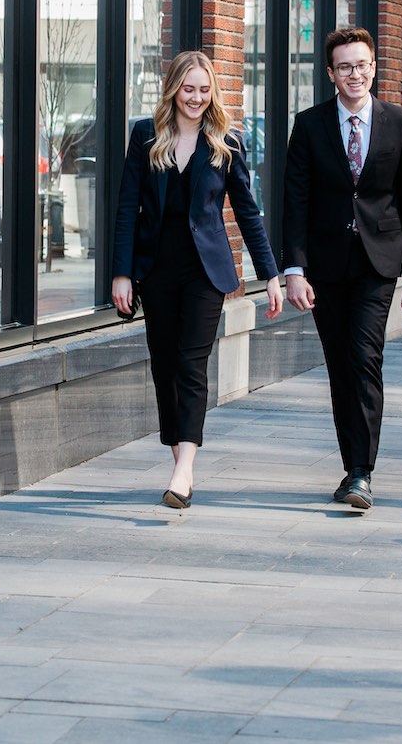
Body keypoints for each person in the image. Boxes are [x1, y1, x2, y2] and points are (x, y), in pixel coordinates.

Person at [112, 50, 283, 509]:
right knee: (164, 365)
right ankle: (179, 456)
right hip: (156, 270)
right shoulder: (146, 136)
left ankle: (183, 468)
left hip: (205, 273)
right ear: (173, 88)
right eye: (188, 89)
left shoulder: (226, 141)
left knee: (190, 363)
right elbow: (128, 207)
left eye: (204, 90)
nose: (196, 98)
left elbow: (248, 212)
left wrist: (270, 275)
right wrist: (122, 272)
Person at [282, 26, 402, 511]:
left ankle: (362, 472)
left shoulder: (398, 121)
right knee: (339, 367)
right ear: (331, 73)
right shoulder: (308, 125)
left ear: (374, 67)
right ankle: (352, 465)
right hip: (324, 265)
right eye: (344, 66)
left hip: (378, 262)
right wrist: (294, 270)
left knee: (365, 358)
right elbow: (295, 204)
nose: (354, 74)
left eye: (362, 64)